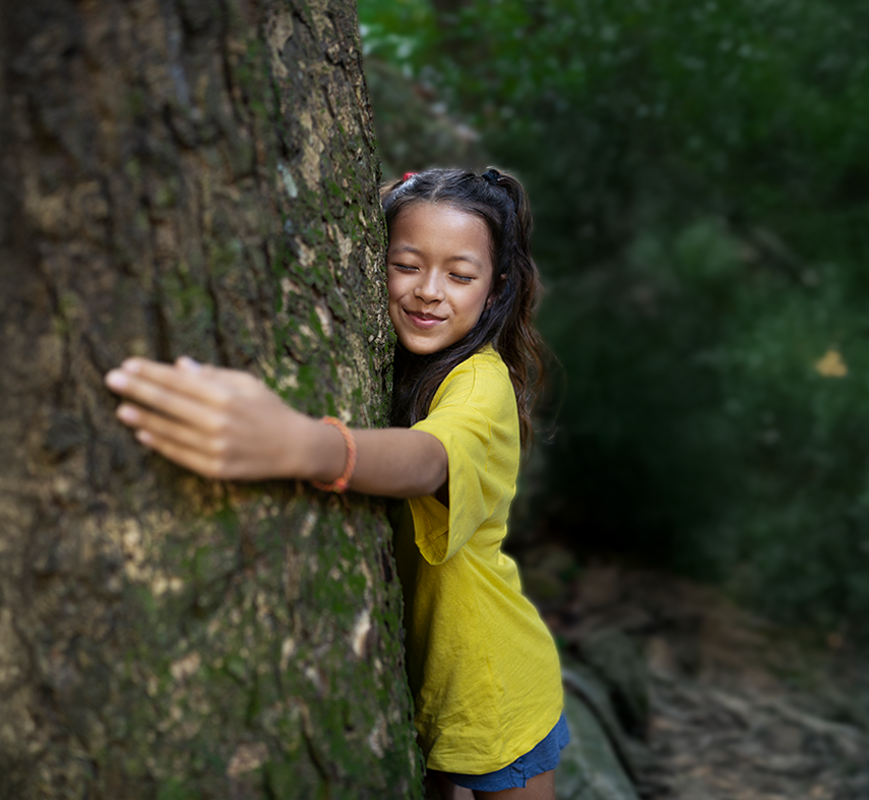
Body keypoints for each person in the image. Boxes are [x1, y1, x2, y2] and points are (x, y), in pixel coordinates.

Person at [103, 167, 563, 799]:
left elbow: (430, 460)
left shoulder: (479, 383)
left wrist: (298, 443)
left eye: (460, 276)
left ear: (497, 288)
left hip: (495, 686)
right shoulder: (405, 362)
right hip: (431, 685)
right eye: (406, 264)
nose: (430, 291)